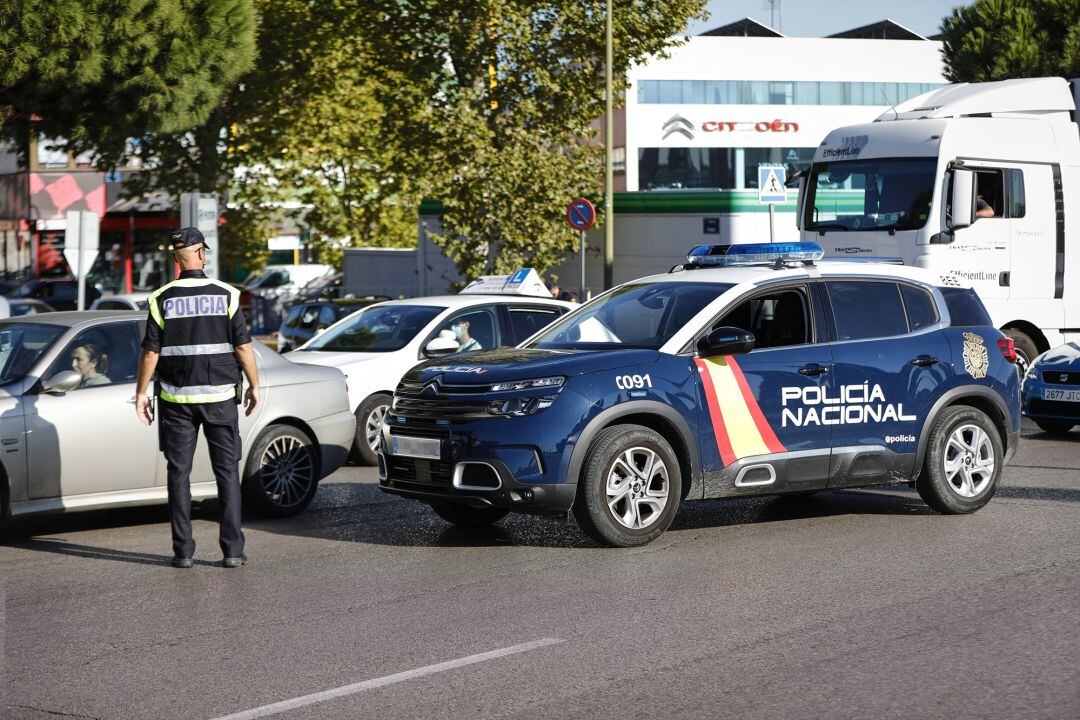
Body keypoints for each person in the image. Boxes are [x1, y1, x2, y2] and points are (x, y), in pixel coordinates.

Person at [134, 227, 260, 570]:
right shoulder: (227, 294)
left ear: (177, 258)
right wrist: (254, 385)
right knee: (226, 474)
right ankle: (232, 550)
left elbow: (150, 353)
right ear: (201, 254)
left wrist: (141, 393)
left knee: (179, 474)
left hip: (175, 402)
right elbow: (243, 347)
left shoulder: (160, 297)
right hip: (220, 398)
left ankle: (183, 552)